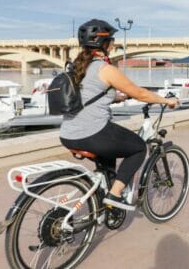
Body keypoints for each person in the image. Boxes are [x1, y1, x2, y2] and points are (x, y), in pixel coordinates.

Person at [59, 19, 179, 211]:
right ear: (102, 43)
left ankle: (100, 206)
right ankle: (114, 196)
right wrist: (167, 101)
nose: (113, 44)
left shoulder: (77, 67)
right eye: (111, 40)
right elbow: (140, 94)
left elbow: (87, 94)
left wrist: (115, 98)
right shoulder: (105, 69)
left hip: (68, 134)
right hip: (91, 134)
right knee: (139, 148)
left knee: (109, 161)